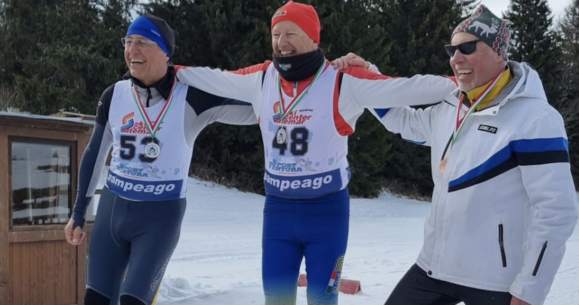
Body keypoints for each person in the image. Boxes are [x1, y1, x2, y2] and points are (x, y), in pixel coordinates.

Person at [172, 2, 457, 304]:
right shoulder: (262, 78)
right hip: (278, 212)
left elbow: (408, 88)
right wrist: (169, 71)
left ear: (313, 38)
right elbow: (214, 77)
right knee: (277, 300)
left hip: (326, 213)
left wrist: (464, 80)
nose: (281, 43)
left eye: (291, 33)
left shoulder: (342, 80)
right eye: (276, 34)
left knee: (322, 298)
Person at [343, 5, 578, 305]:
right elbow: (403, 121)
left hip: (495, 280)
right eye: (451, 50)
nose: (456, 59)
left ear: (498, 52)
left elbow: (557, 212)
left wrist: (529, 291)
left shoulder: (535, 119)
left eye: (466, 47)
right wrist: (367, 74)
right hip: (434, 267)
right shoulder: (451, 107)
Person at [63, 14, 257, 305]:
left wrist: (309, 88)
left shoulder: (192, 96)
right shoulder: (114, 95)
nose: (132, 50)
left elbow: (260, 110)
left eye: (142, 42)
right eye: (128, 42)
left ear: (166, 52)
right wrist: (79, 211)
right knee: (95, 300)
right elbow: (94, 153)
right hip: (112, 212)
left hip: (159, 218)